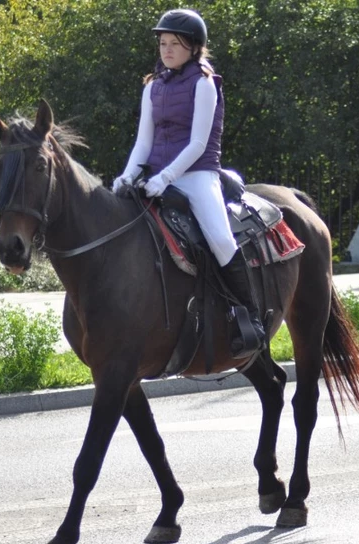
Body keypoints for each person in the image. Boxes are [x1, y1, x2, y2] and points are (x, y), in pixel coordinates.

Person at [112, 9, 265, 358]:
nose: (166, 49)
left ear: (194, 47)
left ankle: (251, 318)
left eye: (174, 44)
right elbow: (144, 142)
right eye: (163, 43)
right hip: (154, 176)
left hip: (197, 174)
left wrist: (166, 177)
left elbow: (198, 143)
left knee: (221, 241)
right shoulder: (152, 86)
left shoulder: (204, 84)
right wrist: (128, 175)